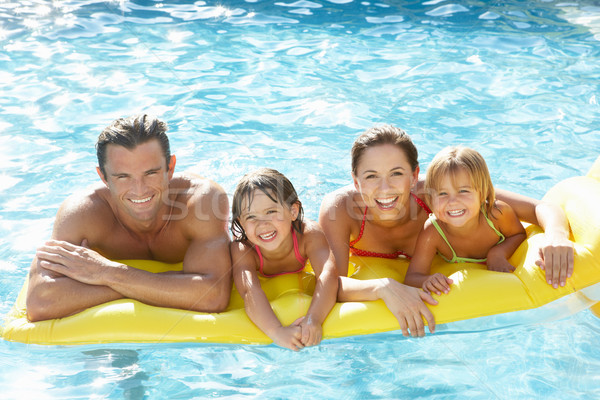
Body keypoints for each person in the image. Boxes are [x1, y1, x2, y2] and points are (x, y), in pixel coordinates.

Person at [319, 125, 574, 337]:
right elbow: (333, 284)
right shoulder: (340, 209)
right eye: (371, 176)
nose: (385, 189)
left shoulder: (437, 194)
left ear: (414, 175)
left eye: (396, 173)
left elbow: (539, 207)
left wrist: (556, 236)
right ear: (355, 180)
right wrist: (382, 287)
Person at [26, 114, 232, 322]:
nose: (139, 190)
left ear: (170, 168)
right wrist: (154, 285)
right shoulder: (83, 213)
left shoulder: (201, 201)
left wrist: (107, 274)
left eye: (150, 173)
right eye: (123, 177)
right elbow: (40, 302)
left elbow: (212, 297)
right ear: (103, 177)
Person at [230, 168, 338, 351]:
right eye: (251, 217)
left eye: (271, 211)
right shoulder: (243, 249)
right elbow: (250, 290)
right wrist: (276, 331)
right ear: (241, 223)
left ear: (293, 211)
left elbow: (328, 275)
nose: (262, 225)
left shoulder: (308, 234)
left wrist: (314, 319)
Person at [404, 146, 527, 295]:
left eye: (463, 191)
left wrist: (497, 253)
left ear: (483, 193)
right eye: (442, 193)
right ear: (430, 199)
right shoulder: (433, 231)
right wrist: (427, 280)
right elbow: (412, 277)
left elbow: (518, 235)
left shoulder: (497, 214)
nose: (453, 201)